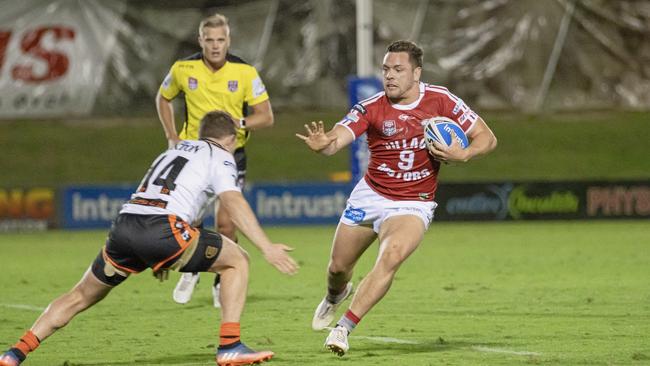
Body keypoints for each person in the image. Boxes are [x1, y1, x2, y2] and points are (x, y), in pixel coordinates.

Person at [0, 111, 298, 366]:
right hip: (162, 229)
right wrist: (266, 247)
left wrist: (164, 255)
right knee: (238, 261)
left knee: (80, 296)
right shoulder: (219, 155)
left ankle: (16, 352)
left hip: (125, 227)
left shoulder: (173, 151)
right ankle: (230, 346)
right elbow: (233, 202)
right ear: (231, 140)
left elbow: (182, 203)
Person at [296, 40, 497, 356]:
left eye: (398, 69)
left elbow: (487, 137)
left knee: (390, 257)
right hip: (371, 195)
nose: (389, 75)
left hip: (413, 203)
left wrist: (466, 153)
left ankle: (343, 329)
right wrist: (326, 143)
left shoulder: (441, 100)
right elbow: (340, 137)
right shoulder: (372, 107)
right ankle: (335, 295)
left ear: (416, 73)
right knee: (337, 268)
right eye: (386, 69)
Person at [156, 13, 274, 308]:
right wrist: (172, 135)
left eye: (220, 40)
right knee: (190, 219)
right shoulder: (184, 69)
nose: (215, 45)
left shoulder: (245, 72)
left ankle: (221, 280)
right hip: (193, 157)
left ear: (228, 41)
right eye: (209, 40)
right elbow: (163, 97)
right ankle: (192, 268)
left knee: (226, 223)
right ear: (201, 41)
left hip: (230, 156)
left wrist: (242, 121)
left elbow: (267, 116)